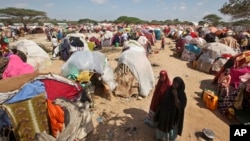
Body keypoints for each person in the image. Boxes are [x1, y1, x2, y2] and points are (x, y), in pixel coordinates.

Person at [154, 77, 187, 141]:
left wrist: (175, 95)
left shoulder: (182, 95)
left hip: (173, 117)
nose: (173, 85)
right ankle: (160, 138)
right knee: (162, 126)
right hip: (165, 114)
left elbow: (180, 107)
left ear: (180, 85)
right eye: (173, 83)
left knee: (171, 129)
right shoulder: (170, 89)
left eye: (175, 84)